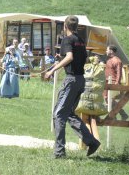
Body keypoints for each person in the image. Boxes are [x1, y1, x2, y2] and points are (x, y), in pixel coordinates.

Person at [45, 15, 100, 158]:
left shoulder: (67, 40)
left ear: (65, 25)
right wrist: (62, 60)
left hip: (71, 80)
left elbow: (70, 57)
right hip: (81, 79)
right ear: (76, 26)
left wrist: (51, 70)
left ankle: (59, 152)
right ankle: (91, 141)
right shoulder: (80, 41)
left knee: (58, 114)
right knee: (69, 113)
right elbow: (83, 58)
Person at [75, 54, 108, 147]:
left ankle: (87, 144)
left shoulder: (85, 68)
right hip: (95, 102)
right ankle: (94, 142)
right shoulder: (100, 69)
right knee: (92, 121)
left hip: (84, 101)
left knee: (86, 121)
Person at [104, 45, 129, 120]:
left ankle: (114, 117)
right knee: (107, 99)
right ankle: (121, 115)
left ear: (111, 51)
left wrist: (117, 83)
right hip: (107, 83)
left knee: (109, 100)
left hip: (113, 82)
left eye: (107, 50)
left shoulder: (117, 61)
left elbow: (119, 73)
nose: (106, 51)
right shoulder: (109, 60)